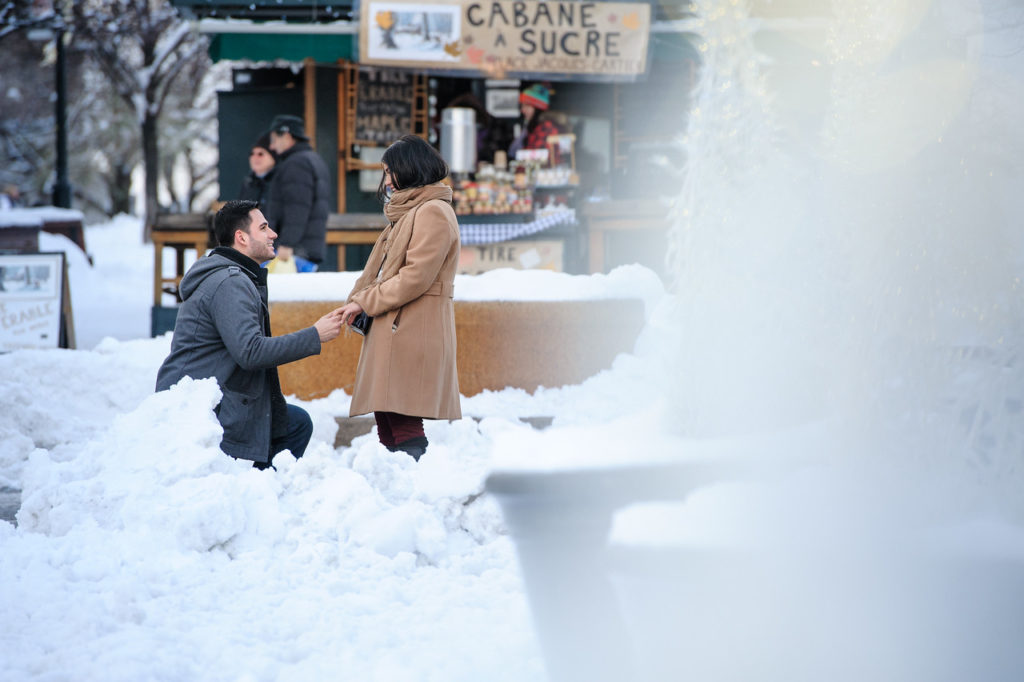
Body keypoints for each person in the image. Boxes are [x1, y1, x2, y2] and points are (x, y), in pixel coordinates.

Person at [155, 200, 346, 469]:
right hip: (200, 412)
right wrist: (314, 335)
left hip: (218, 399)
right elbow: (251, 352)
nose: (273, 234)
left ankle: (258, 486)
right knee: (293, 425)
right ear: (242, 238)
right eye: (264, 228)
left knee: (293, 423)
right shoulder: (230, 282)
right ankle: (255, 488)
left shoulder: (235, 276)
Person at [338, 135, 462, 460]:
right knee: (388, 416)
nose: (388, 180)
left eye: (390, 171)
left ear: (409, 168)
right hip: (396, 324)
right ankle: (396, 479)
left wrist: (365, 301)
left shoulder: (433, 212)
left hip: (413, 327)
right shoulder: (409, 211)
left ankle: (413, 479)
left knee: (403, 419)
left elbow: (415, 277)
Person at [263, 114, 330, 272]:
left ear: (287, 136)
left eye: (274, 140)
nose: (272, 146)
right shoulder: (314, 160)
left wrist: (287, 244)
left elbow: (297, 208)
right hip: (306, 250)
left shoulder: (296, 163)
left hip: (292, 252)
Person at [508, 83, 565, 165]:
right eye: (522, 106)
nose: (523, 110)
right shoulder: (534, 126)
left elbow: (539, 158)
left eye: (527, 106)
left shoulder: (546, 127)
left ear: (537, 107)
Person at [237, 133, 277, 210]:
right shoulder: (248, 183)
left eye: (260, 154)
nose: (255, 157)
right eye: (252, 154)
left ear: (273, 157)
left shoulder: (280, 181)